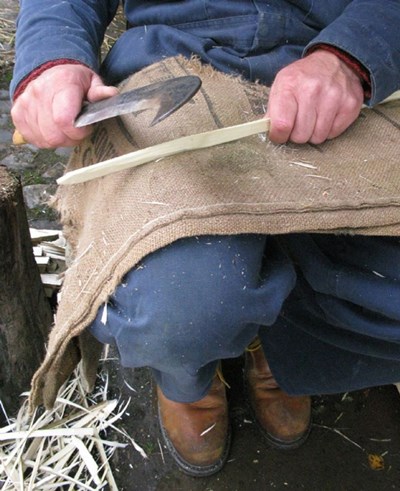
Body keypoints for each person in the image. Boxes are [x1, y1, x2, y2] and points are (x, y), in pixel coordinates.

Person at [11, 0, 400, 477]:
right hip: (176, 57)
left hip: (332, 66)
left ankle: (287, 351)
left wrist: (354, 52)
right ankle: (187, 382)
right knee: (180, 305)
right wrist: (51, 59)